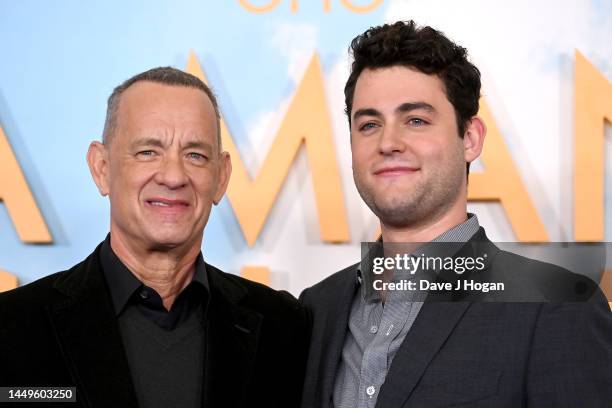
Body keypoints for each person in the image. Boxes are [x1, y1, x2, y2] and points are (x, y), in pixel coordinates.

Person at [300, 21, 612, 407]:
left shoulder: (557, 308)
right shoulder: (316, 309)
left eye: (416, 120)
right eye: (368, 124)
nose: (388, 142)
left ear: (470, 138)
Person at [0, 67, 308, 408]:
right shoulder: (11, 329)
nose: (174, 176)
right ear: (102, 168)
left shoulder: (286, 328)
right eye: (148, 151)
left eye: (195, 155)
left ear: (221, 177)